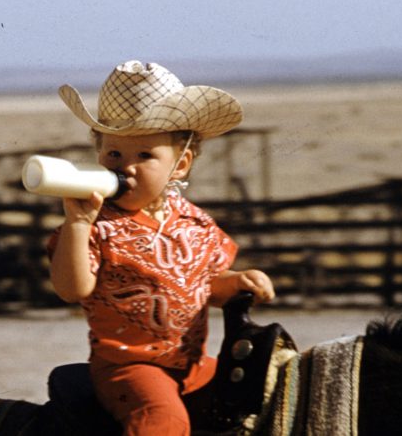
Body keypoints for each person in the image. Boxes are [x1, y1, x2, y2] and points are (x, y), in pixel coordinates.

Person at [47, 60, 275, 435]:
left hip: (195, 366)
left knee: (272, 389)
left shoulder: (196, 223)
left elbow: (205, 287)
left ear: (180, 164)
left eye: (144, 156)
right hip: (129, 367)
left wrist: (237, 282)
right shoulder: (97, 224)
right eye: (114, 155)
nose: (126, 168)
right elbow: (73, 289)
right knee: (161, 421)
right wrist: (77, 223)